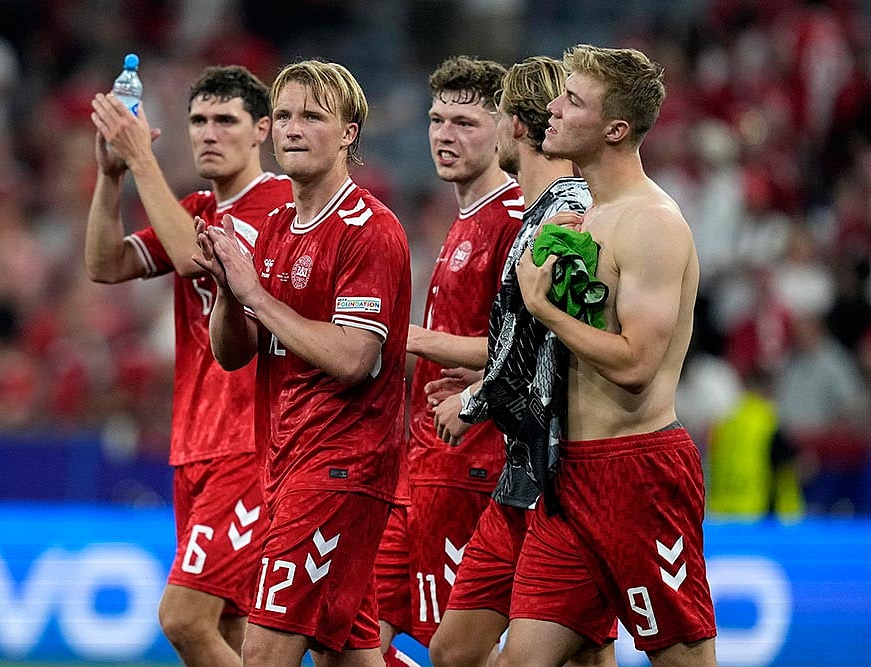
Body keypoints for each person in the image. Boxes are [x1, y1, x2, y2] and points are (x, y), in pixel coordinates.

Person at [498, 45, 717, 666]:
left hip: (638, 475)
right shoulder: (588, 216)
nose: (553, 108)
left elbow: (636, 364)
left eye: (572, 100)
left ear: (615, 129)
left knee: (684, 661)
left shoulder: (652, 223)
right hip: (569, 475)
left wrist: (544, 309)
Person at [193, 60, 411, 667]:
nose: (293, 128)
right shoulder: (277, 226)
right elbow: (234, 354)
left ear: (348, 133)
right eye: (284, 115)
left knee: (264, 652)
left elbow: (354, 358)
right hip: (286, 459)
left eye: (313, 116)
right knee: (348, 654)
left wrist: (257, 296)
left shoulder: (369, 229)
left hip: (340, 466)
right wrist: (228, 292)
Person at [85, 65, 293, 667]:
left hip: (252, 443)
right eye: (198, 120)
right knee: (229, 626)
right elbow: (107, 264)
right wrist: (111, 176)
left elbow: (191, 259)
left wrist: (140, 160)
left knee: (183, 617)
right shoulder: (196, 206)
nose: (209, 132)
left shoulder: (278, 205)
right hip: (196, 442)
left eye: (226, 120)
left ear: (261, 131)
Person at [428, 57, 614, 667]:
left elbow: (562, 341)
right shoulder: (539, 214)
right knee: (455, 650)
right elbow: (534, 340)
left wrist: (474, 400)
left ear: (513, 125)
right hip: (525, 469)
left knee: (567, 653)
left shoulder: (570, 213)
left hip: (567, 470)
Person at [373, 55, 523, 666]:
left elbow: (530, 344)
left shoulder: (515, 220)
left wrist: (402, 337)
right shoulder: (464, 220)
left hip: (471, 462)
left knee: (455, 651)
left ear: (505, 129)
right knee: (351, 632)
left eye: (464, 122)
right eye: (437, 120)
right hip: (420, 463)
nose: (444, 135)